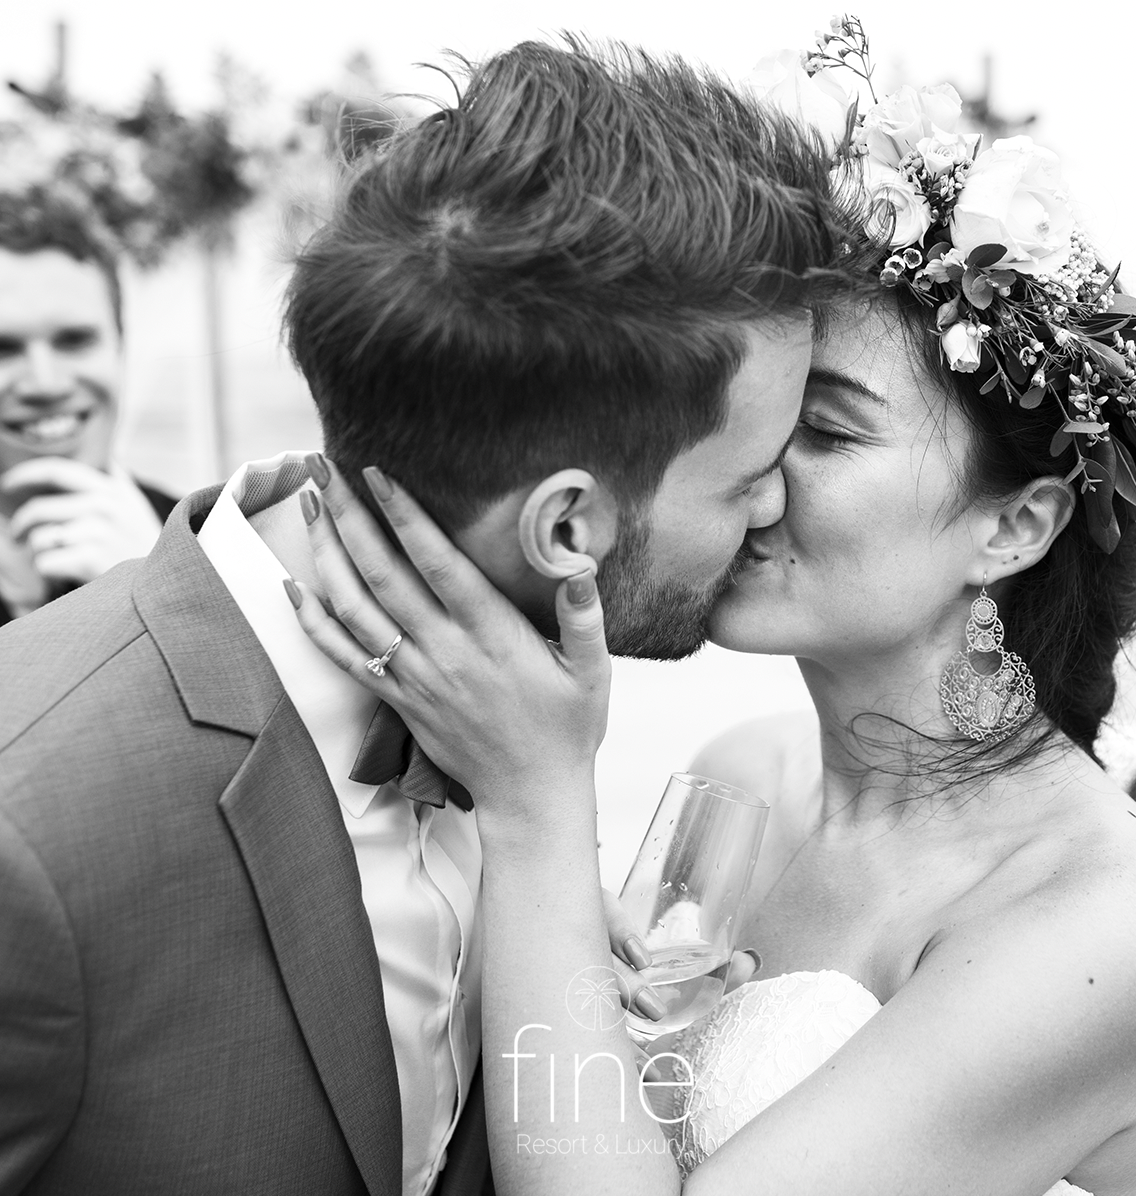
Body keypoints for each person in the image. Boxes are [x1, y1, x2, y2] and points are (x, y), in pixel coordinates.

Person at [291, 25, 1136, 1196]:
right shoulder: (745, 779)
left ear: (1013, 525)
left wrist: (537, 806)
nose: (757, 476)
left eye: (825, 430)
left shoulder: (1096, 918)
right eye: (756, 419)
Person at [0, 41, 871, 1195]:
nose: (772, 508)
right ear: (567, 528)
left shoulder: (519, 715)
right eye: (749, 474)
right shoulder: (30, 828)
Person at [0, 198, 175, 625]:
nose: (46, 384)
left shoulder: (213, 542)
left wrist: (165, 594)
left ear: (120, 346)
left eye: (75, 340)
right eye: (4, 349)